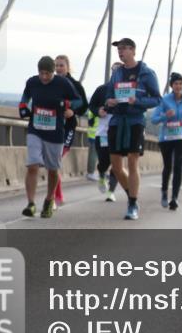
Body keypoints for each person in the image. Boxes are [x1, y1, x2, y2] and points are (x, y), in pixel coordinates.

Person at [105, 38, 161, 220]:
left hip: (135, 120)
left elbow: (157, 99)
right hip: (116, 121)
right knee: (115, 166)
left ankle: (132, 203)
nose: (120, 52)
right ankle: (132, 194)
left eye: (123, 49)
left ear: (133, 50)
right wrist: (109, 101)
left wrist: (137, 101)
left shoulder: (147, 73)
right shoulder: (117, 73)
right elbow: (108, 96)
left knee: (132, 160)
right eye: (118, 49)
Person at [18, 56, 81, 218]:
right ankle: (31, 203)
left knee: (53, 170)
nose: (44, 77)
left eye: (48, 73)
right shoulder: (32, 82)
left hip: (55, 133)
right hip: (35, 130)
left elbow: (78, 101)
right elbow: (25, 96)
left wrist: (69, 108)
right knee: (32, 165)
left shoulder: (62, 83)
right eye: (41, 73)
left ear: (53, 72)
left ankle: (48, 199)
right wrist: (23, 106)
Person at [151, 72, 182, 210]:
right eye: (176, 84)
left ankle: (174, 197)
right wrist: (165, 116)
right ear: (172, 86)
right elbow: (154, 119)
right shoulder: (164, 100)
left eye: (181, 84)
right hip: (166, 138)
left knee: (178, 167)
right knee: (168, 166)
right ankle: (164, 192)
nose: (178, 86)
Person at [52, 55, 89, 207]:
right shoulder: (50, 83)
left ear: (67, 67)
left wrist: (73, 111)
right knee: (53, 162)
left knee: (56, 160)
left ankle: (56, 196)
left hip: (68, 128)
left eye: (61, 65)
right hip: (52, 126)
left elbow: (84, 105)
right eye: (56, 65)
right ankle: (56, 195)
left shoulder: (75, 85)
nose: (59, 68)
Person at [88, 63, 121, 200]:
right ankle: (101, 173)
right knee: (104, 161)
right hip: (103, 132)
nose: (117, 74)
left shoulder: (127, 90)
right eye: (115, 71)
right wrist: (98, 111)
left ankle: (111, 192)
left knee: (116, 162)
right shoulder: (102, 89)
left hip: (119, 130)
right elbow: (91, 105)